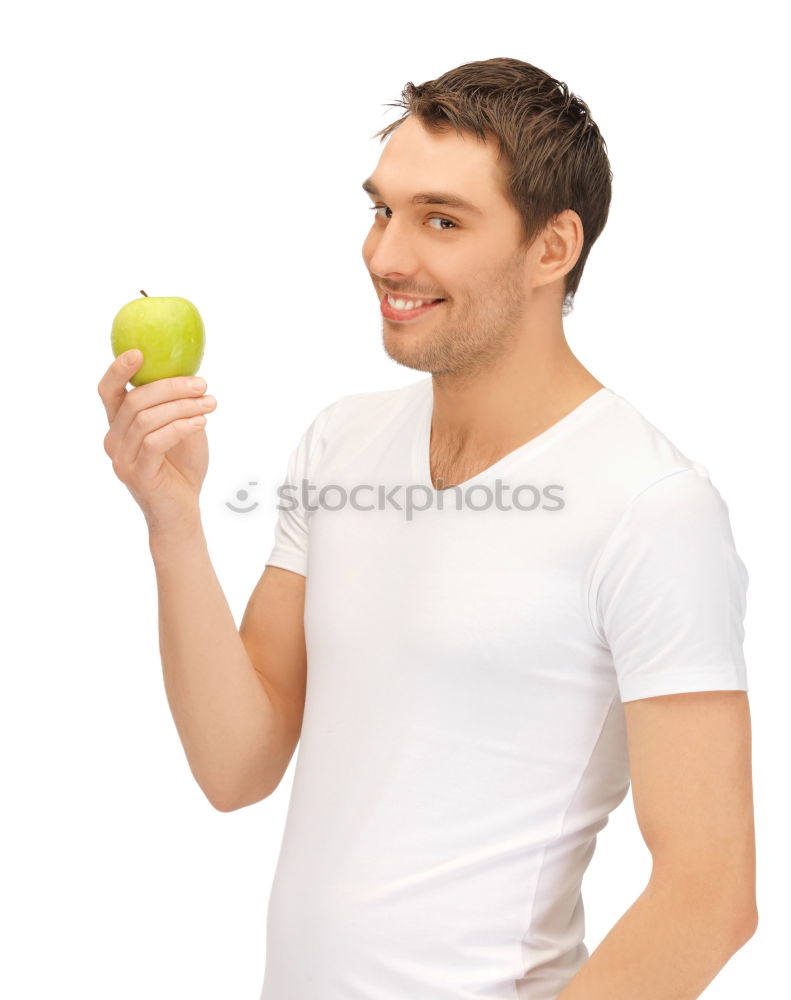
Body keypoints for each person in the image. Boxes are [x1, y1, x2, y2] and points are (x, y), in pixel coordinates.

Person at [99, 57, 757, 1000]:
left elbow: (709, 895)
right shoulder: (342, 441)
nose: (385, 256)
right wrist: (173, 523)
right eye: (382, 210)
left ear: (551, 247)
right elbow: (235, 764)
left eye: (440, 221)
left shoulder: (652, 506)